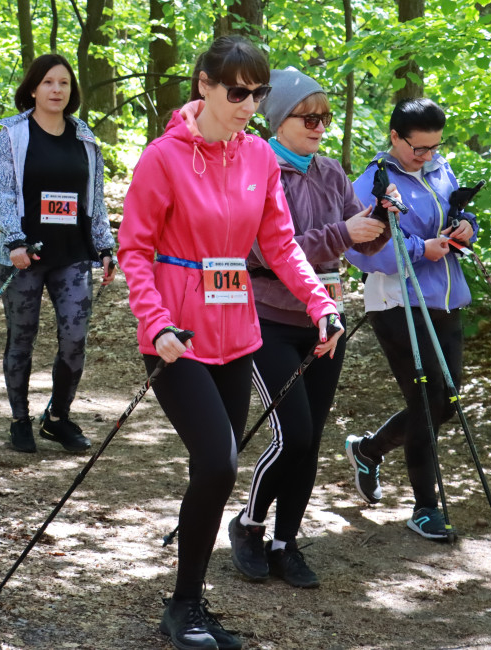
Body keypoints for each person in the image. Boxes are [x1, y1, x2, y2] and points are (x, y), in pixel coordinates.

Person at [118, 37, 344, 650]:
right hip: (175, 339)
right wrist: (157, 320)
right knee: (217, 459)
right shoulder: (162, 158)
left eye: (258, 93)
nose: (249, 104)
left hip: (235, 332)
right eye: (237, 91)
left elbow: (281, 243)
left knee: (216, 473)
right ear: (204, 86)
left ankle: (190, 604)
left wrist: (319, 301)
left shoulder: (259, 159)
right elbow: (134, 250)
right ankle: (183, 606)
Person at [227, 68, 393, 589]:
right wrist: (343, 232)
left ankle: (286, 542)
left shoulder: (330, 171)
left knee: (312, 437)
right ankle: (248, 525)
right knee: (292, 434)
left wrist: (374, 224)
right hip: (269, 319)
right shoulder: (260, 168)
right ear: (279, 120)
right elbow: (269, 250)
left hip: (326, 321)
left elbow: (358, 242)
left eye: (325, 117)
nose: (321, 126)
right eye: (310, 117)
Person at [343, 97, 478, 541]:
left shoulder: (440, 169)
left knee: (447, 401)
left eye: (435, 148)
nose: (427, 157)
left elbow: (455, 212)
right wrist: (423, 249)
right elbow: (362, 250)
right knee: (425, 402)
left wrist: (465, 227)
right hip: (398, 303)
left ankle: (368, 450)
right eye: (418, 149)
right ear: (395, 137)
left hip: (446, 299)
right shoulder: (372, 182)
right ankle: (425, 508)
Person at [0, 53, 116, 454]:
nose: (56, 90)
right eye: (48, 82)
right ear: (32, 88)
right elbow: (5, 193)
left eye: (63, 83)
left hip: (73, 254)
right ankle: (18, 420)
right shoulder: (13, 134)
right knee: (22, 338)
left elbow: (93, 197)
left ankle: (57, 418)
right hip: (24, 257)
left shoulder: (84, 136)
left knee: (74, 339)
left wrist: (105, 244)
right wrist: (14, 241)